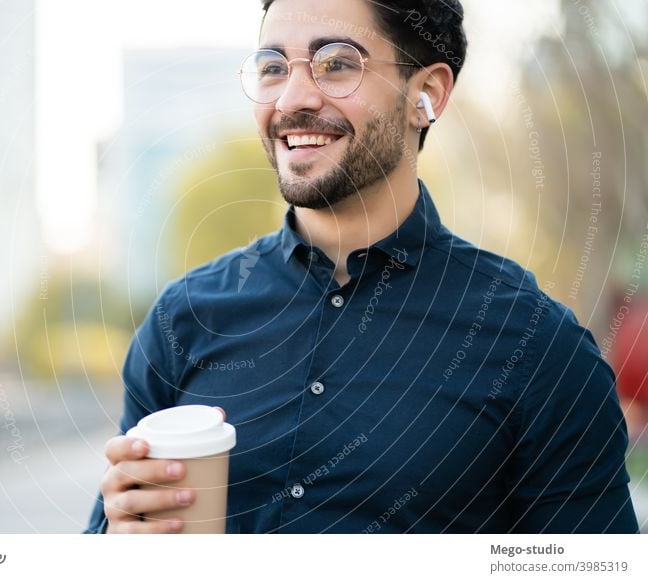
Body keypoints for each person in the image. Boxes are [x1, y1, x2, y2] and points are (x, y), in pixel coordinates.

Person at [85, 0, 639, 533]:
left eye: (337, 64)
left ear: (425, 94)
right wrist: (116, 543)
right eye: (273, 68)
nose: (292, 99)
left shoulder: (540, 347)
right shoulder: (182, 320)